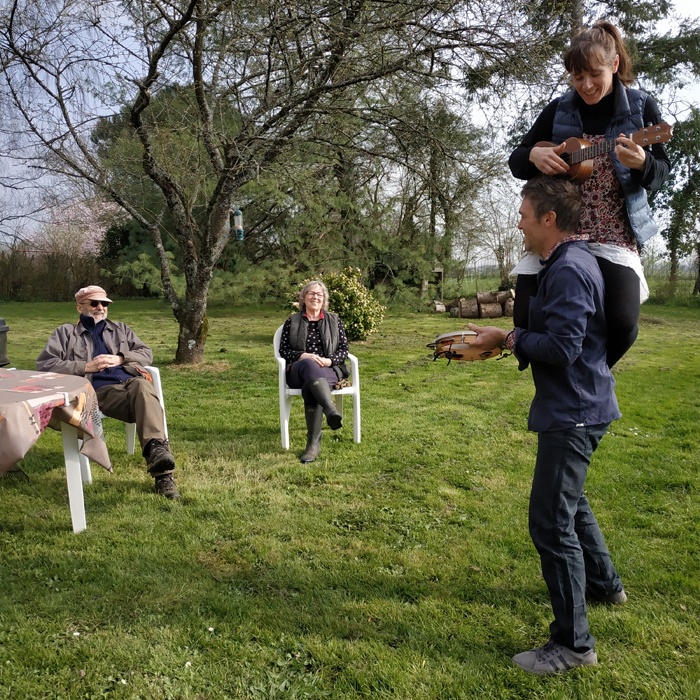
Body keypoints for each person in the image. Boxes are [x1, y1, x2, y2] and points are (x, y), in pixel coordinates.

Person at [469, 176, 625, 675]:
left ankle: (574, 645)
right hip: (580, 407)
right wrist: (508, 338)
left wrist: (508, 337)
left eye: (523, 214)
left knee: (551, 522)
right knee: (571, 503)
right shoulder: (564, 263)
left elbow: (563, 348)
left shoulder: (570, 269)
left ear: (548, 219)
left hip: (574, 412)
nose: (519, 223)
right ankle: (605, 585)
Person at [509, 20, 671, 368]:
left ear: (614, 64)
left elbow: (661, 175)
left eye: (595, 74)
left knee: (623, 322)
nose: (586, 85)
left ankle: (591, 378)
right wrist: (533, 155)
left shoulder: (641, 108)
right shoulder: (558, 110)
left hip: (612, 233)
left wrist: (643, 163)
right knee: (524, 314)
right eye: (577, 76)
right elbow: (516, 161)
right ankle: (550, 373)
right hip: (559, 230)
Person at [36, 286, 179, 499]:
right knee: (145, 397)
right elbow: (45, 365)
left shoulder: (120, 329)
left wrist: (120, 358)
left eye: (104, 303)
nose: (100, 307)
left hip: (131, 383)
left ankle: (158, 456)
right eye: (94, 303)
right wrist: (85, 366)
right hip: (98, 391)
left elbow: (146, 353)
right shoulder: (65, 333)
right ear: (80, 307)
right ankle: (164, 476)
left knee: (142, 386)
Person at [278, 280, 350, 463]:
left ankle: (313, 444)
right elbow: (283, 350)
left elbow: (344, 350)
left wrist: (329, 360)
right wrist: (302, 355)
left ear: (324, 299)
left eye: (319, 294)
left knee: (311, 386)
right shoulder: (292, 321)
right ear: (304, 297)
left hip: (327, 370)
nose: (315, 297)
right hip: (298, 370)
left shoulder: (334, 320)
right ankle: (330, 409)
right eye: (311, 293)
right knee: (309, 364)